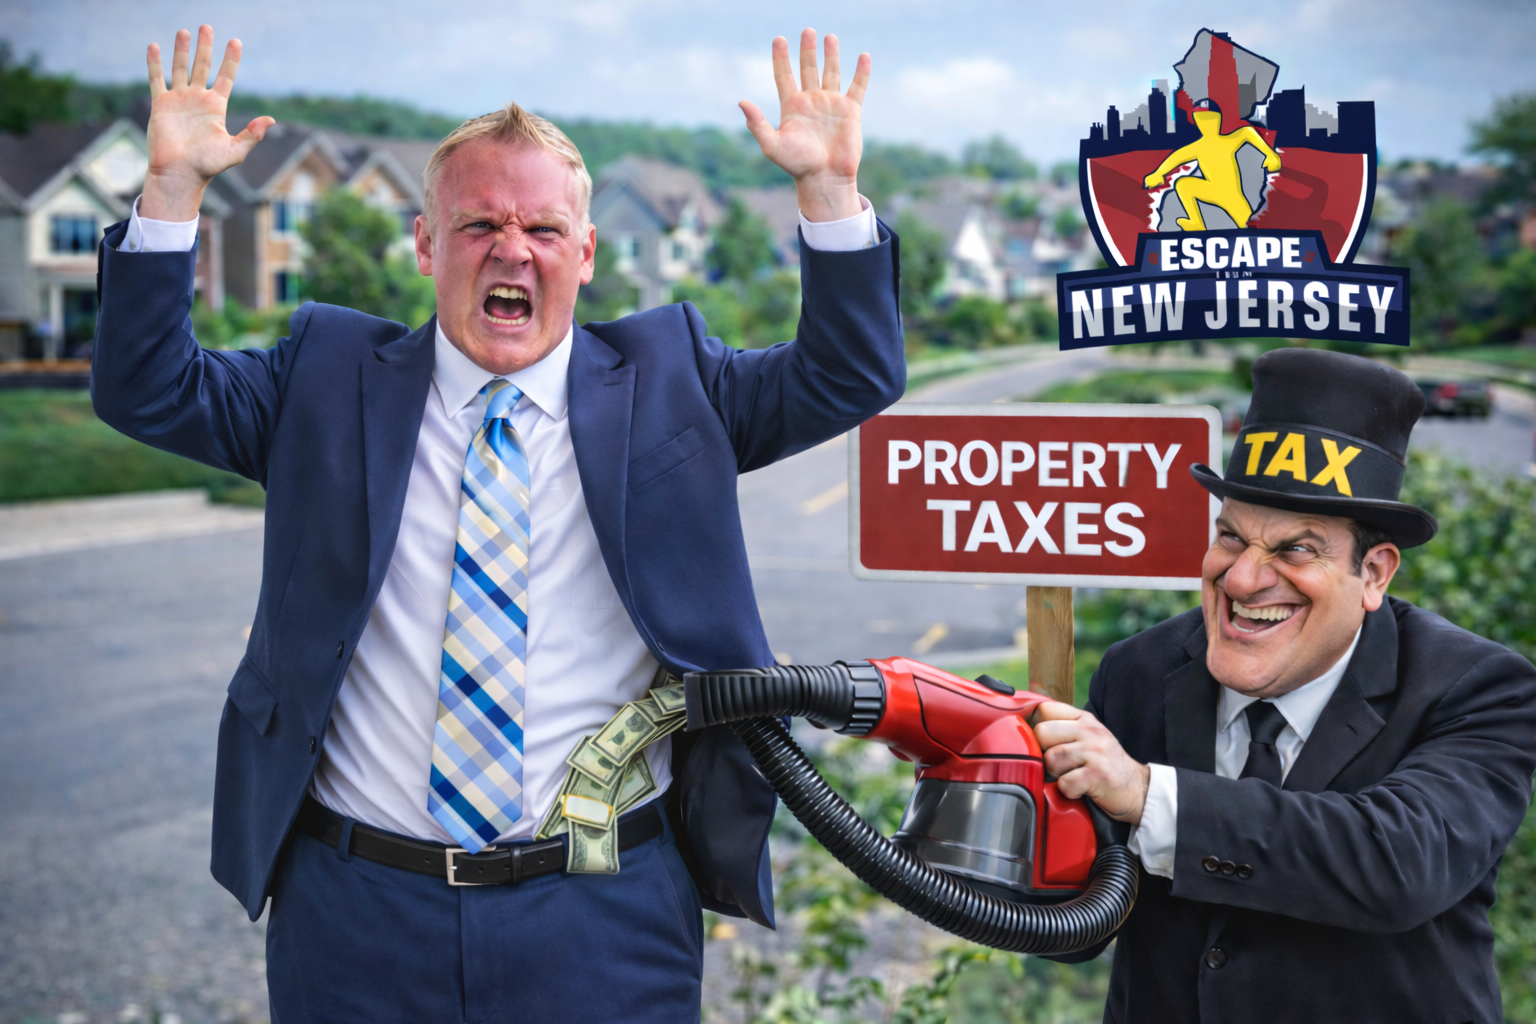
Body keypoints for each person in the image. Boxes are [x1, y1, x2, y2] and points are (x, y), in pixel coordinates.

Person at [91, 24, 904, 1022]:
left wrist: (827, 193)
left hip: (605, 909)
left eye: (544, 230)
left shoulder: (676, 377)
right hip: (358, 911)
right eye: (478, 225)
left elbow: (849, 372)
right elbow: (147, 390)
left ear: (586, 253)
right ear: (427, 242)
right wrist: (171, 194)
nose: (512, 248)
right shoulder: (322, 377)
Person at [1033, 348, 1536, 1022]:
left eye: (1296, 548)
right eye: (1231, 538)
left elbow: (1399, 864)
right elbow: (1072, 930)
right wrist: (998, 785)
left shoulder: (1479, 688)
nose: (1241, 580)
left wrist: (1147, 795)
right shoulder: (1139, 671)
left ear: (1376, 574)